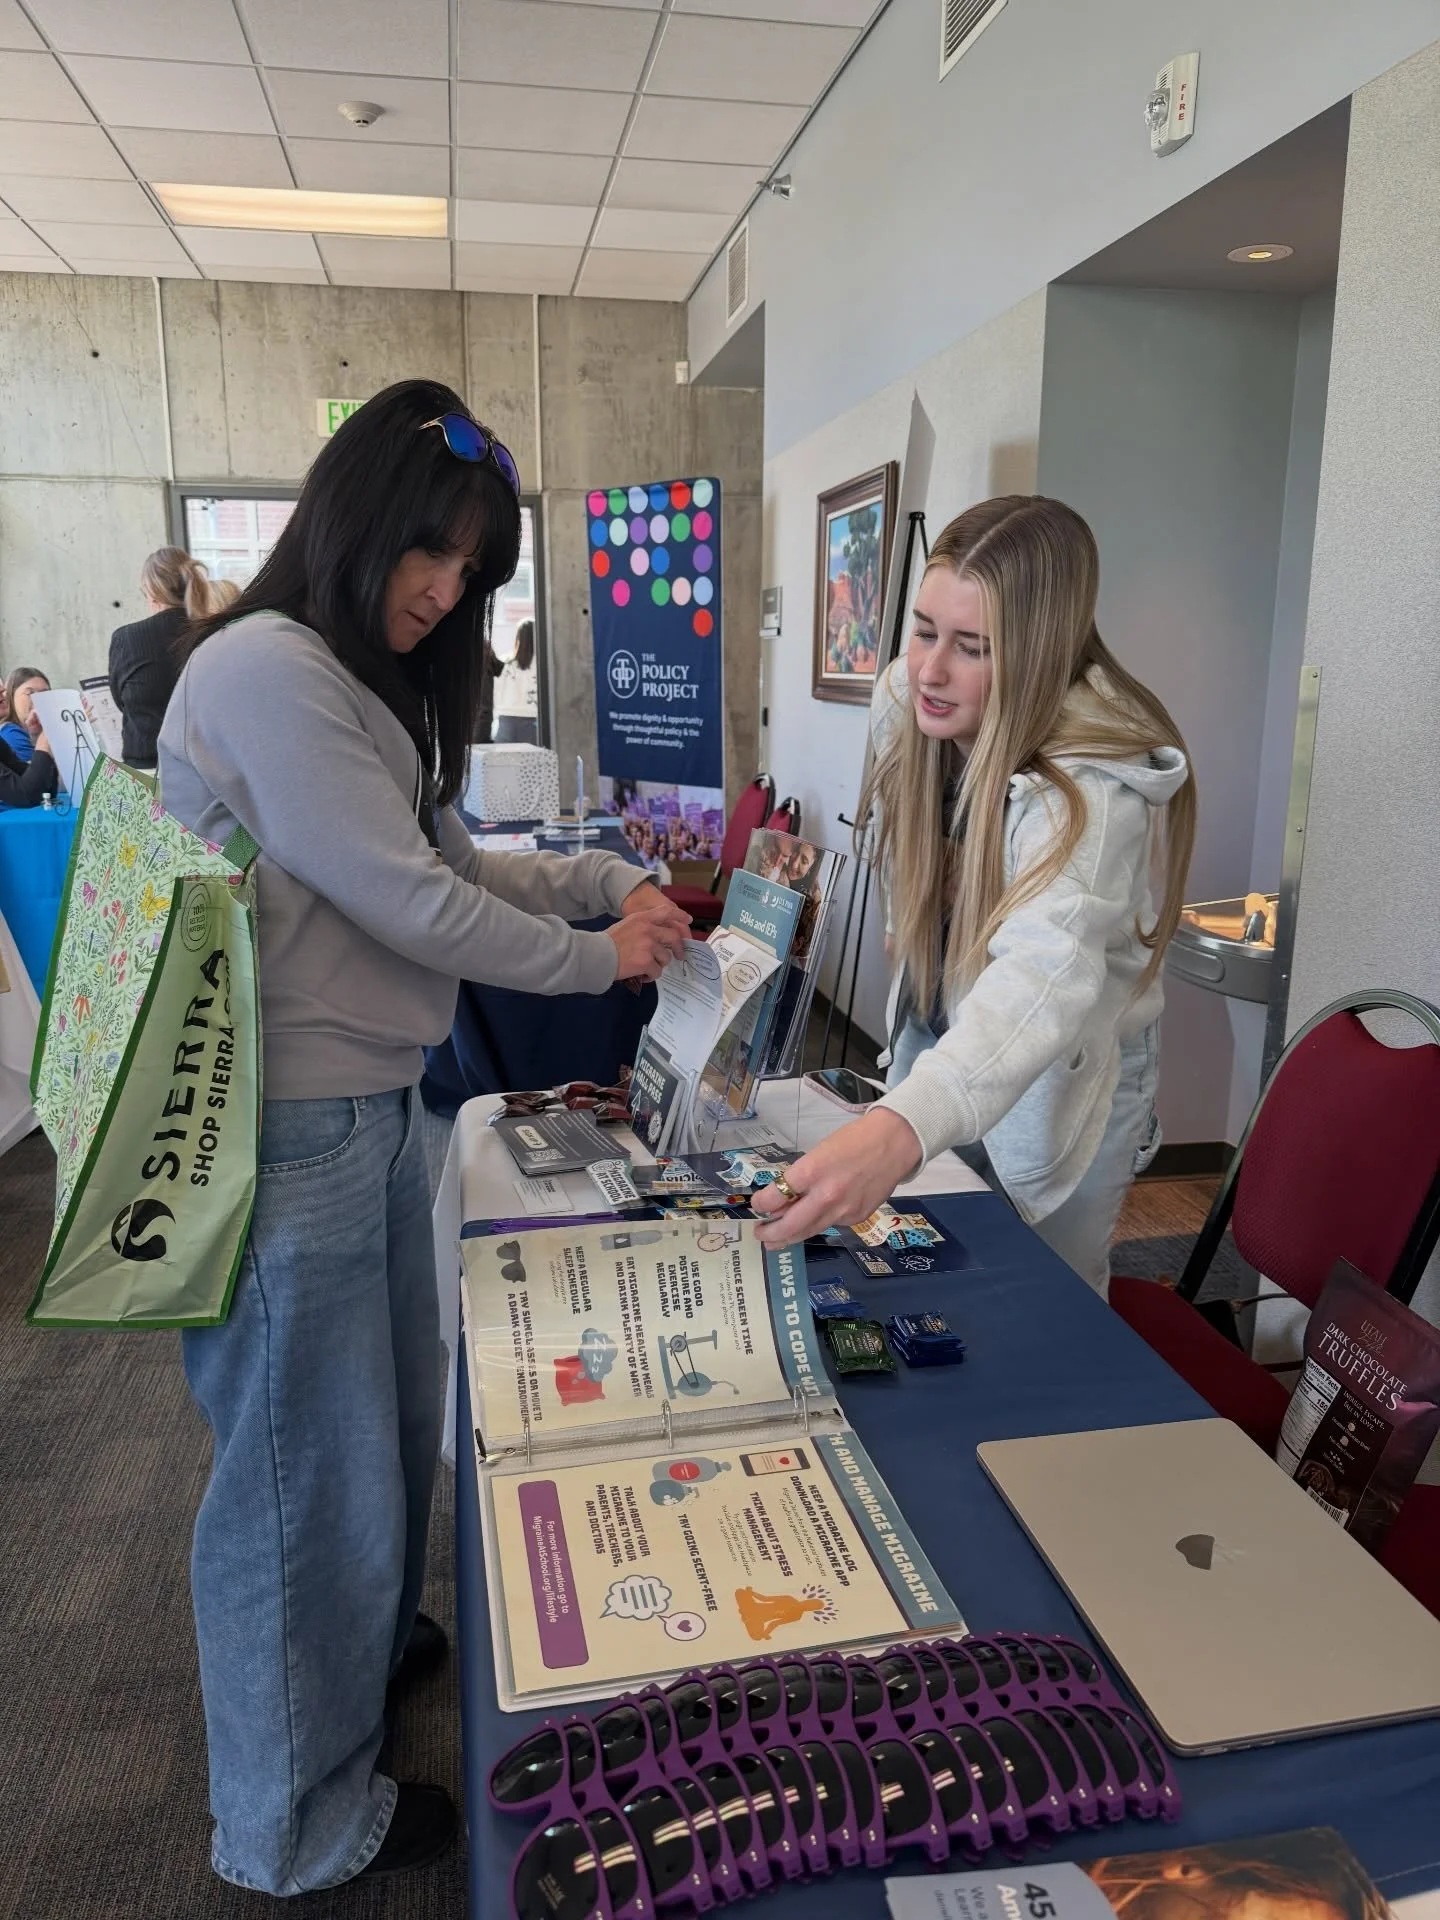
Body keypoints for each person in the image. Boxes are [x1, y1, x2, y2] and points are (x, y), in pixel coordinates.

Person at [158, 378, 691, 1895]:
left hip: (372, 1116)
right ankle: (290, 1825)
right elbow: (415, 906)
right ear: (358, 518)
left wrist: (595, 887)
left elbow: (457, 862)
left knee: (384, 1434)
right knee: (296, 1478)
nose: (444, 591)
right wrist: (605, 961)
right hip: (286, 1131)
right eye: (431, 554)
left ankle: (366, 1651)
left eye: (472, 572)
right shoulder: (263, 671)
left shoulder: (354, 685)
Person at [755, 495, 1194, 1296]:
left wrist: (897, 1133)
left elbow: (1042, 979)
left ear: (1035, 651)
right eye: (923, 631)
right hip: (953, 1015)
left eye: (972, 647)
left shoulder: (1092, 791)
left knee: (1049, 1297)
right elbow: (913, 839)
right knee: (934, 1270)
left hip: (1069, 1059)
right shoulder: (909, 696)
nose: (930, 670)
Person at [108, 547, 213, 768]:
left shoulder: (127, 639)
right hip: (203, 769)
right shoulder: (214, 634)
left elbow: (121, 700)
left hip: (144, 769)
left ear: (150, 591)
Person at [492, 617, 539, 743]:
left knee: (504, 762)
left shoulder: (504, 662)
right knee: (530, 762)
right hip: (532, 720)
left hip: (505, 720)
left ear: (517, 637)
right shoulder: (541, 666)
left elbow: (495, 692)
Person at [0, 726, 58, 807]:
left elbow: (47, 793)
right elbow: (25, 796)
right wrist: (44, 741)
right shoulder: (11, 732)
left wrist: (38, 738)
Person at [1, 667, 49, 764]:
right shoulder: (10, 733)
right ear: (11, 696)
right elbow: (41, 774)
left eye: (45, 693)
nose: (38, 698)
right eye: (29, 693)